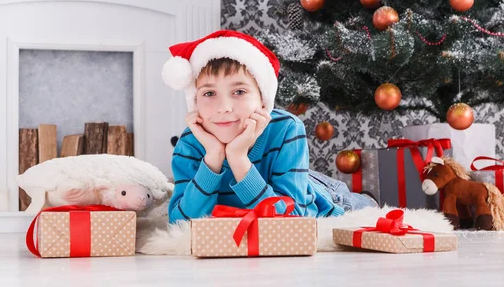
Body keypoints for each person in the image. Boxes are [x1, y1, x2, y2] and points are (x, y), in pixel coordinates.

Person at [161, 30, 378, 223]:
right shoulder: (191, 142)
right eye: (209, 93)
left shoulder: (286, 129)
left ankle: (364, 198)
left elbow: (292, 220)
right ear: (195, 102)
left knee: (361, 208)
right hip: (270, 187)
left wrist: (238, 158)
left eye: (239, 92)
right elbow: (181, 223)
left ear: (263, 101)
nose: (224, 107)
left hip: (320, 193)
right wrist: (213, 157)